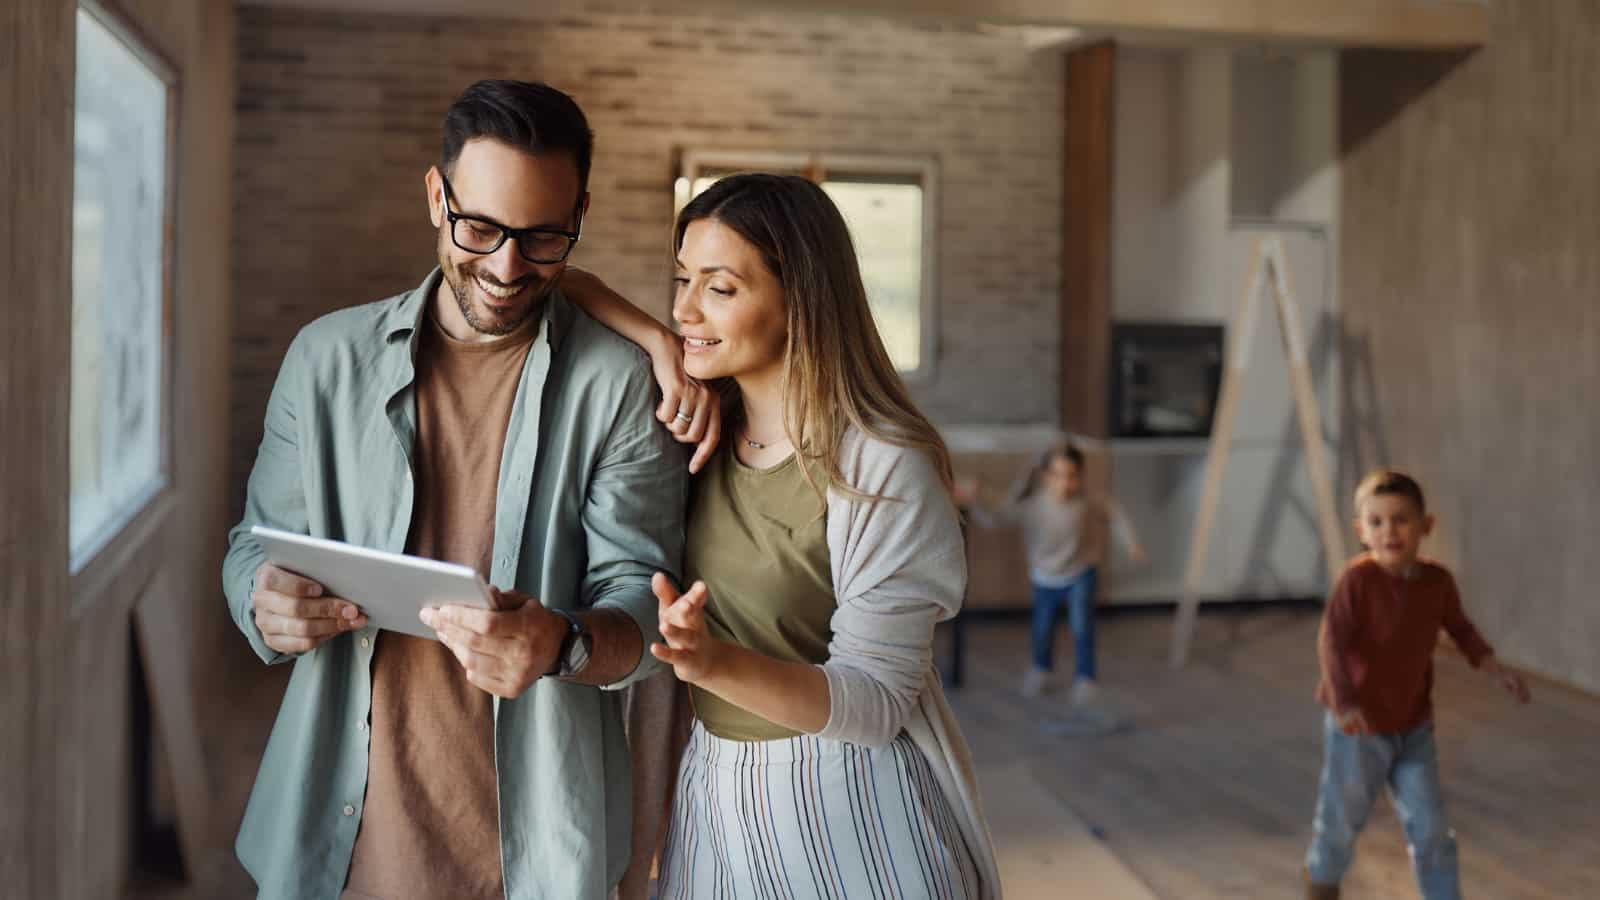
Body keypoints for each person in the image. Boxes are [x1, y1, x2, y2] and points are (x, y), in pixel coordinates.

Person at [222, 80, 700, 900]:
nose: (508, 268)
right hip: (338, 839)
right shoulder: (324, 360)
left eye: (545, 237)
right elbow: (252, 548)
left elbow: (645, 600)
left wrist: (562, 643)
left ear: (579, 214)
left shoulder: (617, 385)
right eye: (479, 227)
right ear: (436, 196)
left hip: (541, 851)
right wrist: (261, 602)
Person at [605, 172, 1003, 899]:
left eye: (719, 288)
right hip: (715, 792)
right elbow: (557, 286)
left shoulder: (881, 465)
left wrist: (709, 661)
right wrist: (655, 344)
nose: (684, 308)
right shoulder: (698, 429)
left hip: (849, 805)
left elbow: (878, 704)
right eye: (681, 279)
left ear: (799, 300)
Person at [1304, 469, 1531, 900]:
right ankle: (1321, 886)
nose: (1390, 531)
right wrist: (1345, 702)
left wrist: (1495, 668)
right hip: (1358, 728)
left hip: (1413, 726)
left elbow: (1461, 630)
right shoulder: (1358, 582)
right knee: (1340, 821)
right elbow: (1332, 642)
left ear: (1426, 526)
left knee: (1431, 828)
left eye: (1402, 519)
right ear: (1362, 531)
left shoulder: (1437, 583)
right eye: (1377, 522)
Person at [955, 443, 1145, 703]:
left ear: (1080, 476)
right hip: (1044, 578)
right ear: (1045, 476)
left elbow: (1114, 512)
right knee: (1042, 628)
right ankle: (1041, 668)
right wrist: (976, 501)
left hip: (1080, 572)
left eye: (1072, 476)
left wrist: (1131, 542)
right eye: (1057, 475)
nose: (1065, 483)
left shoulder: (1086, 500)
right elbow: (995, 519)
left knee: (1081, 626)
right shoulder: (1031, 505)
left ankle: (1085, 677)